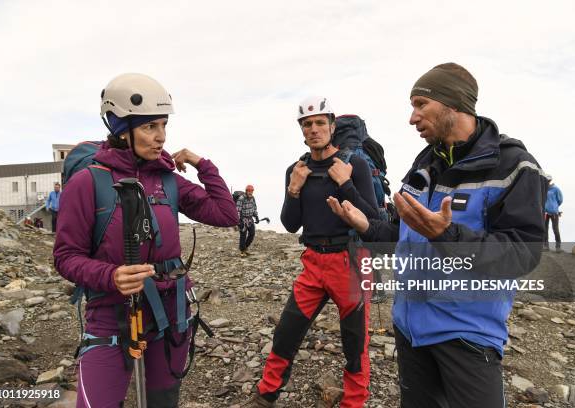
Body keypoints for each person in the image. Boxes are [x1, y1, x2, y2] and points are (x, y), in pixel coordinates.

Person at [328, 63, 548, 408]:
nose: (412, 118)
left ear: (453, 105)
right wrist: (365, 226)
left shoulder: (514, 166)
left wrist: (448, 234)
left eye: (420, 105)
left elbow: (524, 254)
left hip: (468, 334)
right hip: (410, 327)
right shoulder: (422, 166)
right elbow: (403, 235)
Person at [53, 73, 238, 407]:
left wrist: (202, 164)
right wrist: (110, 276)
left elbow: (226, 214)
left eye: (164, 125)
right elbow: (66, 256)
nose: (161, 137)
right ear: (122, 128)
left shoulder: (167, 180)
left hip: (172, 310)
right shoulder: (87, 183)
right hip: (111, 313)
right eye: (150, 127)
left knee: (163, 401)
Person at [240, 96, 379, 408]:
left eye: (319, 123)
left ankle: (354, 402)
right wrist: (294, 188)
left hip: (351, 263)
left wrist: (346, 184)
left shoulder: (353, 164)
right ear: (301, 130)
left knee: (355, 342)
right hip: (313, 263)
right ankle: (266, 394)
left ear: (332, 126)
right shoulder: (297, 168)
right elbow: (291, 224)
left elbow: (374, 219)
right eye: (307, 124)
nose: (314, 129)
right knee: (287, 331)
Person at [237, 184, 259, 256]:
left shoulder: (253, 198)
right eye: (249, 191)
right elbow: (238, 210)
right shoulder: (241, 198)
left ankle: (244, 248)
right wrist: (239, 221)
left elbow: (254, 208)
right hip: (243, 219)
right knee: (243, 235)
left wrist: (256, 217)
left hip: (250, 219)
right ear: (246, 191)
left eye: (251, 191)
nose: (250, 192)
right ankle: (242, 251)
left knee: (252, 234)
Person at [544, 177, 563, 251]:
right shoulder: (543, 189)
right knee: (545, 229)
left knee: (555, 229)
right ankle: (545, 246)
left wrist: (554, 206)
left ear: (550, 180)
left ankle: (558, 246)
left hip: (554, 212)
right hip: (545, 212)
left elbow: (560, 199)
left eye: (548, 180)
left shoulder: (556, 189)